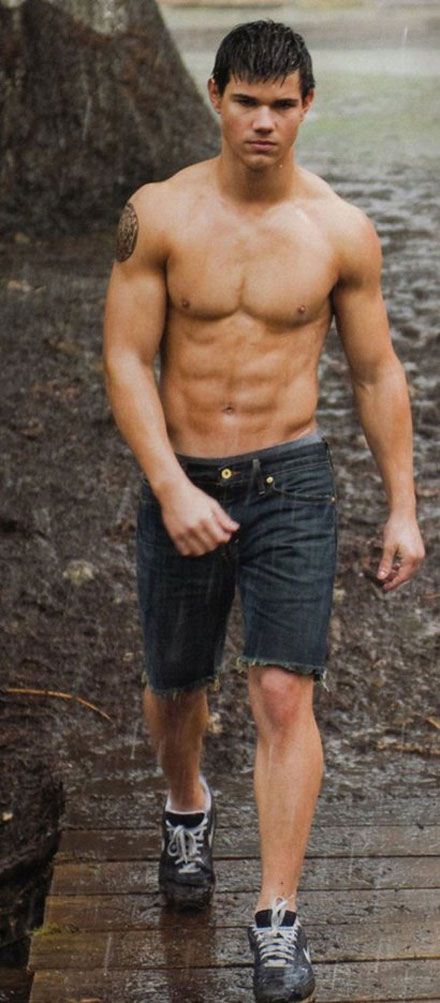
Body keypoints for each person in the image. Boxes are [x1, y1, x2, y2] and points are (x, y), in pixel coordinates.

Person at [103, 20, 424, 1003]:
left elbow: (374, 371)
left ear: (307, 106)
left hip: (292, 479)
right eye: (246, 100)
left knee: (284, 693)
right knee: (176, 686)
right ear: (215, 96)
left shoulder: (338, 231)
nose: (263, 121)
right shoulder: (157, 213)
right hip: (185, 475)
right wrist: (170, 485)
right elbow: (126, 358)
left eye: (282, 105)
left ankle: (276, 917)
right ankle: (185, 805)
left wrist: (403, 506)